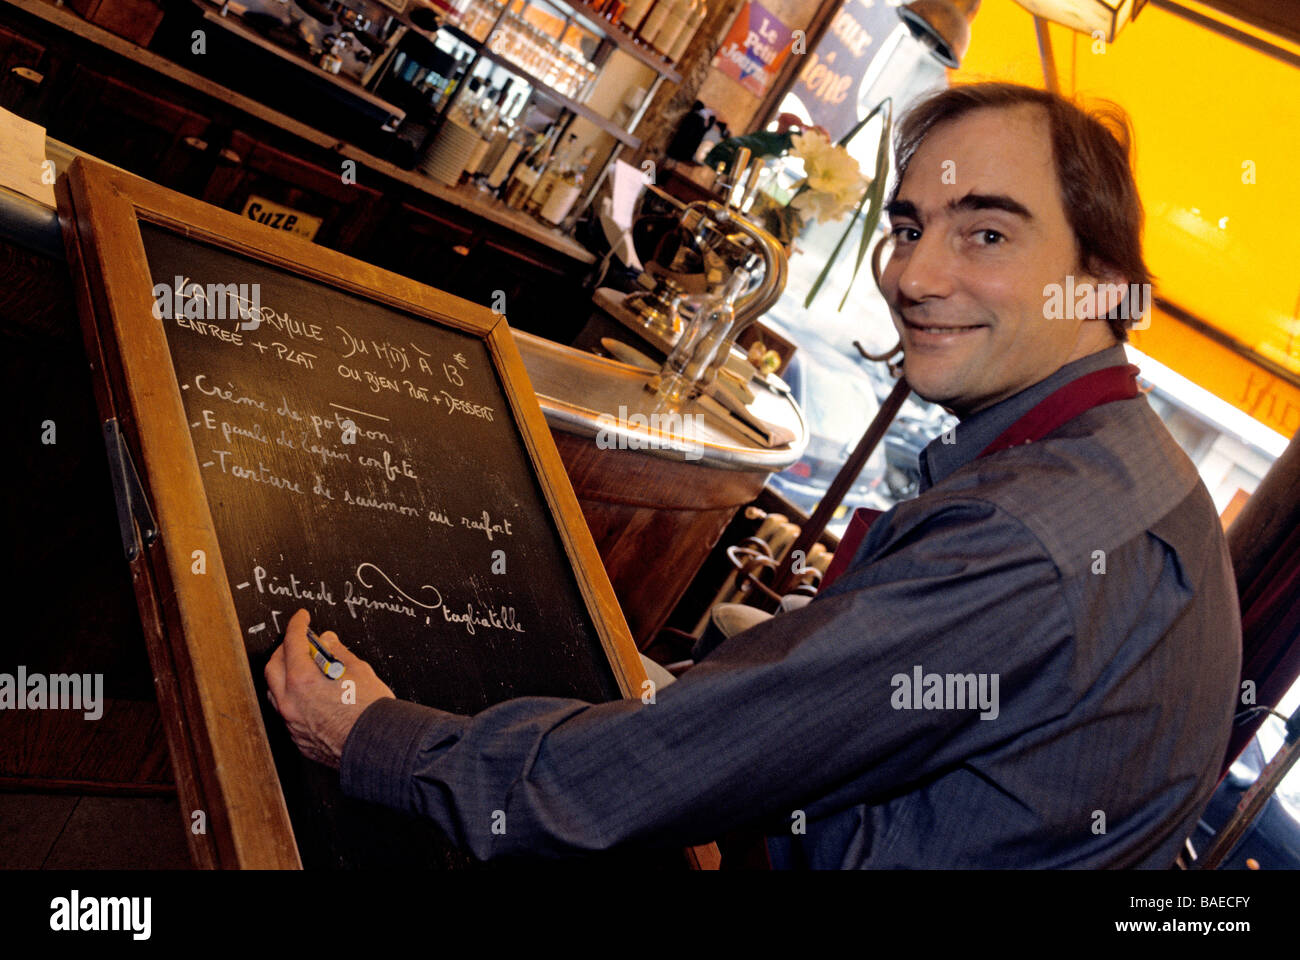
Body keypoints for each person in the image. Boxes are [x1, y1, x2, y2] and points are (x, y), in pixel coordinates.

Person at [265, 82, 1242, 868]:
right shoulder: (1135, 471)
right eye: (905, 228)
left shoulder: (1030, 537)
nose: (912, 277)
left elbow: (644, 776)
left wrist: (372, 740)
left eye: (985, 233)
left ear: (1106, 281)